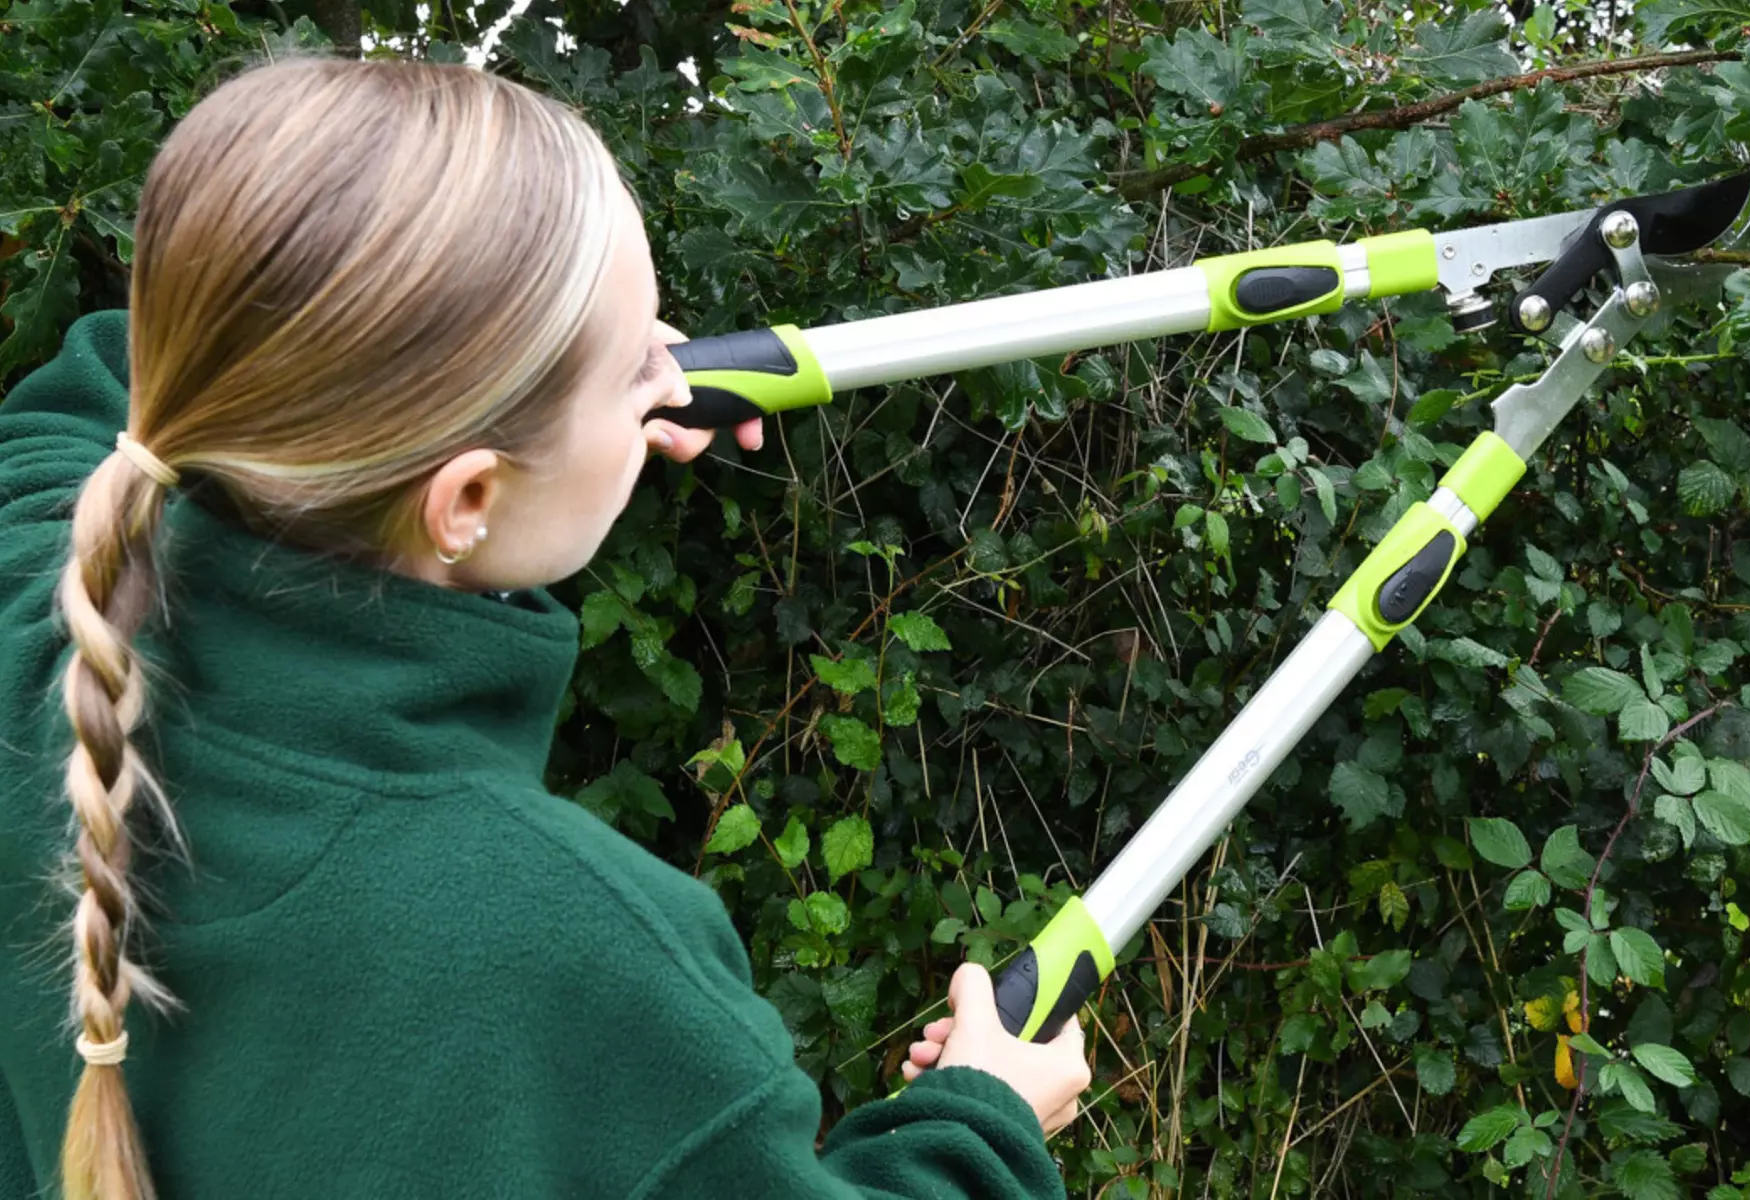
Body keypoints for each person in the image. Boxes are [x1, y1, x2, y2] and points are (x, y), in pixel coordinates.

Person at [0, 55, 1090, 1200]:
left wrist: (570, 402)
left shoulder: (44, 631)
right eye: (638, 370)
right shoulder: (576, 956)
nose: (670, 380)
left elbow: (137, 379)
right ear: (466, 500)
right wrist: (985, 1117)